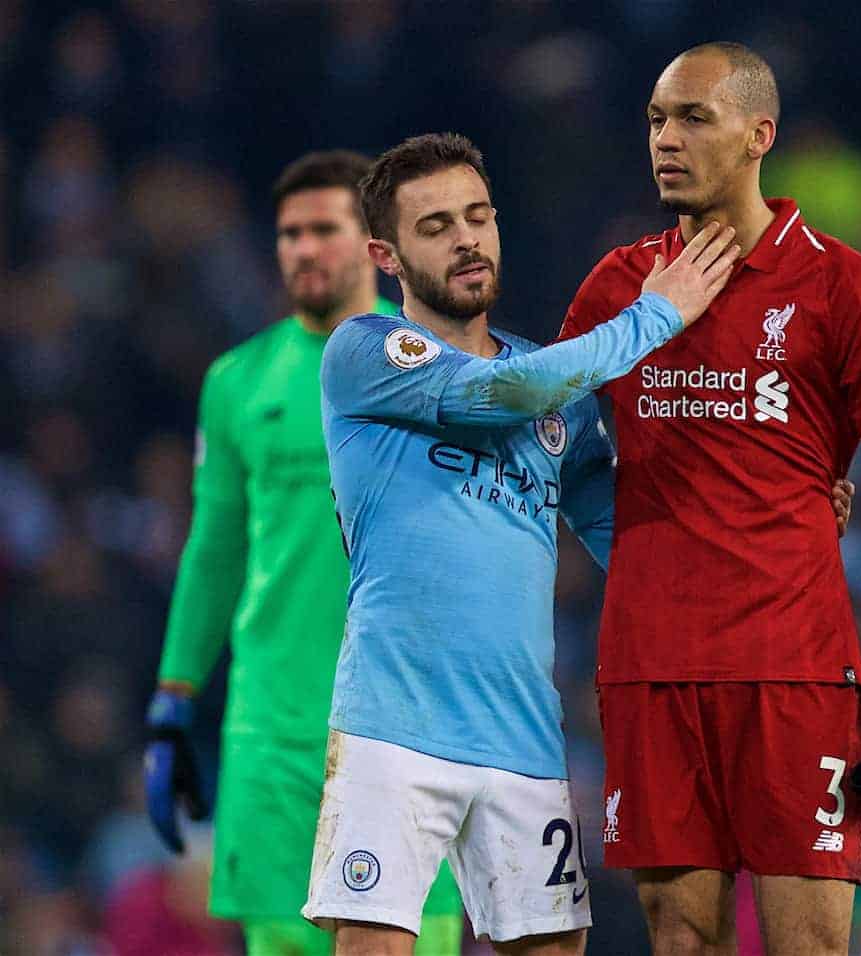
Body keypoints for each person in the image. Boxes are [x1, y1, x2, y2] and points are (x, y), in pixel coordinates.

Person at [300, 132, 742, 956]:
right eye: (435, 227)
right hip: (395, 723)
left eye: (478, 216)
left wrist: (765, 521)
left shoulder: (555, 385)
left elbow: (627, 529)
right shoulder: (363, 353)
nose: (467, 238)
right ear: (385, 255)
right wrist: (657, 315)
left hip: (523, 731)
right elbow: (501, 394)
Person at [558, 42, 861, 954]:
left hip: (794, 668)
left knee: (807, 945)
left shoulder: (845, 288)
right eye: (657, 118)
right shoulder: (620, 289)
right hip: (650, 669)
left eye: (694, 117)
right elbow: (549, 445)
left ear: (758, 135)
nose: (666, 138)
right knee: (682, 939)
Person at [142, 151, 463, 956]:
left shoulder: (439, 369)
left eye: (325, 229)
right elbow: (213, 548)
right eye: (290, 234)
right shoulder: (238, 382)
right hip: (273, 739)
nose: (303, 250)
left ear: (375, 245)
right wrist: (174, 694)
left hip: (407, 734)